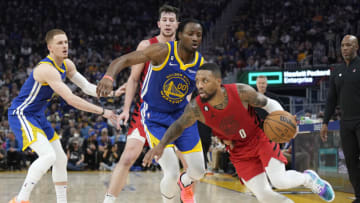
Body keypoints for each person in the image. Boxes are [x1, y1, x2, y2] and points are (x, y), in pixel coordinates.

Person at [143, 63, 335, 203]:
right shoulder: (196, 108)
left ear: (218, 82)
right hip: (238, 152)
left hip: (259, 138)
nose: (199, 85)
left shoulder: (241, 92)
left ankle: (309, 179)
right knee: (264, 195)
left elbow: (268, 104)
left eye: (205, 80)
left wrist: (285, 119)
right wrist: (160, 145)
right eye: (198, 81)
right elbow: (178, 126)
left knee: (280, 180)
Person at [97, 19, 206, 203]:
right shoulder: (162, 51)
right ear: (180, 35)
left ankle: (184, 182)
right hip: (155, 116)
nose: (195, 38)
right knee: (169, 171)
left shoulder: (200, 63)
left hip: (181, 118)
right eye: (190, 34)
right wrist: (109, 76)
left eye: (198, 35)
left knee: (198, 172)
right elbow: (123, 60)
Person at [7, 29, 121, 203]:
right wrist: (103, 112)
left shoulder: (67, 64)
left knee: (60, 158)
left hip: (38, 115)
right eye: (60, 43)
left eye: (66, 42)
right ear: (50, 47)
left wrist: (113, 93)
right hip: (22, 113)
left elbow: (87, 87)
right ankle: (21, 199)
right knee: (48, 156)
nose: (65, 46)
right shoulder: (46, 69)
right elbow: (70, 99)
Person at [101, 5, 180, 203]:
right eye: (165, 20)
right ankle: (108, 201)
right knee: (127, 157)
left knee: (182, 165)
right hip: (144, 113)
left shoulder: (183, 50)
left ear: (177, 24)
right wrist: (126, 109)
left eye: (172, 20)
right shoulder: (146, 45)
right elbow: (134, 79)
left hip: (171, 115)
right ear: (159, 23)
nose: (168, 23)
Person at [320, 35, 360, 203]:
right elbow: (331, 99)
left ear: (356, 47)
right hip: (346, 123)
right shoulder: (337, 70)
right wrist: (325, 122)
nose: (345, 48)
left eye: (349, 45)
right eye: (343, 45)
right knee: (351, 162)